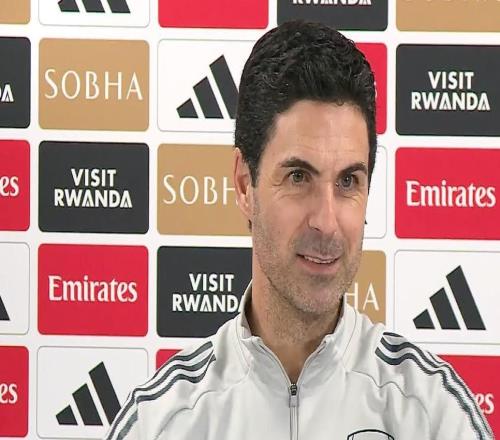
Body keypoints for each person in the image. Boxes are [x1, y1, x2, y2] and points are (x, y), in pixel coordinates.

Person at [105, 21, 492, 440]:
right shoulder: (162, 421)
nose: (326, 221)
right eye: (298, 177)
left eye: (348, 181)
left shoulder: (432, 413)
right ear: (244, 185)